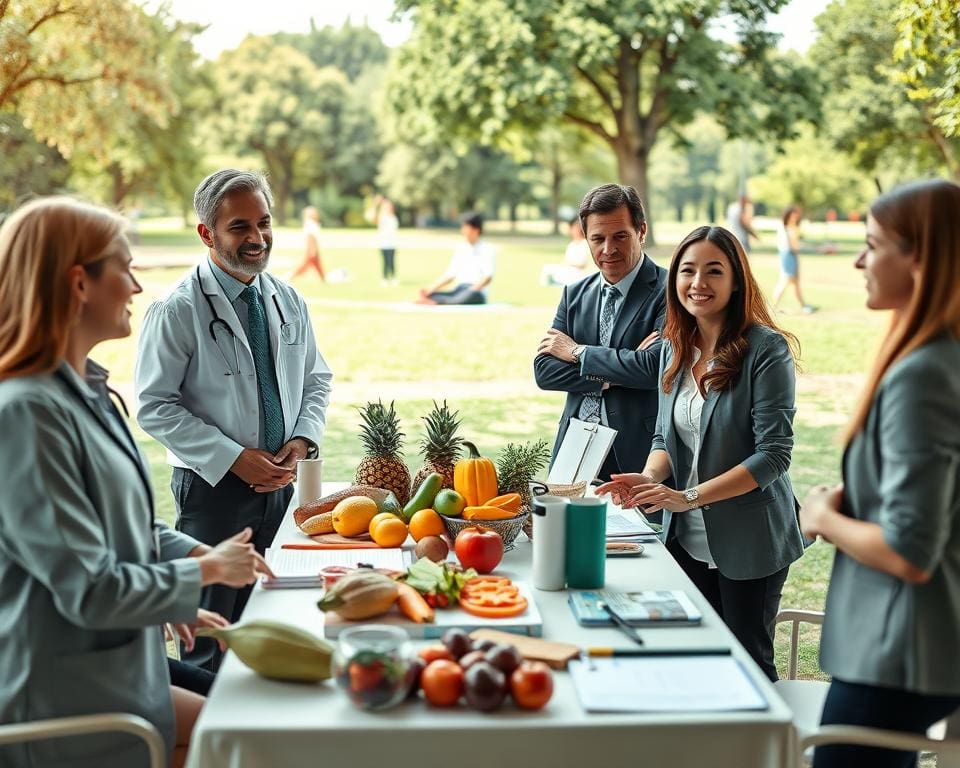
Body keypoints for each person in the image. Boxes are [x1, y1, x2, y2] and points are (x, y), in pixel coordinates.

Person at [0, 197, 272, 768]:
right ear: (80, 283)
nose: (135, 288)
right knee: (251, 742)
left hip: (117, 666)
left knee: (252, 724)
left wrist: (193, 554)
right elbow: (90, 588)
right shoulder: (25, 414)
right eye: (125, 269)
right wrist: (205, 571)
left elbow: (117, 525)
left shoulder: (82, 392)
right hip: (64, 697)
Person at [135, 169, 332, 671]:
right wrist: (233, 458)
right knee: (214, 639)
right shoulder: (176, 309)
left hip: (282, 492)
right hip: (213, 496)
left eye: (264, 223)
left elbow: (316, 378)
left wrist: (303, 439)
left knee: (277, 622)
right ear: (207, 233)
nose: (258, 238)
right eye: (240, 227)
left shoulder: (288, 300)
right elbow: (154, 405)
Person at [595, 225, 805, 681]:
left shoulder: (766, 350)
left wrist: (686, 496)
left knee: (748, 665)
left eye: (714, 271)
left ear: (736, 280)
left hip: (751, 540)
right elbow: (662, 438)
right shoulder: (673, 344)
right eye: (687, 270)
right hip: (685, 539)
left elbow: (773, 456)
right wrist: (651, 479)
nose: (698, 283)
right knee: (697, 657)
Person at [799, 180, 960, 768]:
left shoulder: (924, 375)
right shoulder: (936, 360)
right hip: (901, 652)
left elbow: (910, 550)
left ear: (919, 256)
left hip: (899, 656)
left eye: (873, 244)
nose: (860, 261)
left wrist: (822, 517)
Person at [534, 183, 667, 480]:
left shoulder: (668, 292)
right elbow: (544, 371)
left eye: (620, 236)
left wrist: (576, 353)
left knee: (642, 528)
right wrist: (617, 374)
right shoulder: (575, 293)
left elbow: (654, 368)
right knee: (564, 526)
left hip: (638, 451)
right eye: (598, 238)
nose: (608, 249)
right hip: (574, 445)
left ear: (641, 231)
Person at [417, 212, 494, 305]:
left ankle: (438, 302)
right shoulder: (461, 249)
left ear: (476, 230)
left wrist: (473, 289)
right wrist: (431, 289)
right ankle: (435, 300)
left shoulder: (485, 249)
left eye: (466, 227)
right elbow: (450, 275)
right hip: (460, 290)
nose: (463, 230)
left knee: (468, 296)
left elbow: (488, 277)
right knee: (432, 295)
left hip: (476, 292)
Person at [772, 205, 815, 313]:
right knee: (785, 281)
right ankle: (774, 306)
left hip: (791, 255)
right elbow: (793, 246)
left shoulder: (791, 226)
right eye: (794, 214)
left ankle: (803, 305)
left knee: (796, 282)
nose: (796, 217)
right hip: (788, 255)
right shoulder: (787, 227)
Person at [539, 218, 593, 286]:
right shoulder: (572, 244)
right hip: (570, 269)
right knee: (547, 268)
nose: (577, 230)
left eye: (578, 227)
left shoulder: (585, 243)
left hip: (580, 273)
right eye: (574, 228)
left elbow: (582, 265)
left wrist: (568, 264)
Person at [289, 205, 325, 282]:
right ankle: (291, 276)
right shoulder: (310, 224)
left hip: (314, 248)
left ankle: (324, 278)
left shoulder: (312, 223)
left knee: (317, 264)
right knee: (305, 265)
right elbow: (311, 238)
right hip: (312, 248)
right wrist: (313, 250)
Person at [376, 196, 399, 285]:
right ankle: (385, 278)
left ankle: (393, 277)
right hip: (383, 243)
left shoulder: (393, 218)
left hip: (392, 243)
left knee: (391, 261)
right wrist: (376, 205)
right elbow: (373, 218)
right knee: (385, 262)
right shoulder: (381, 218)